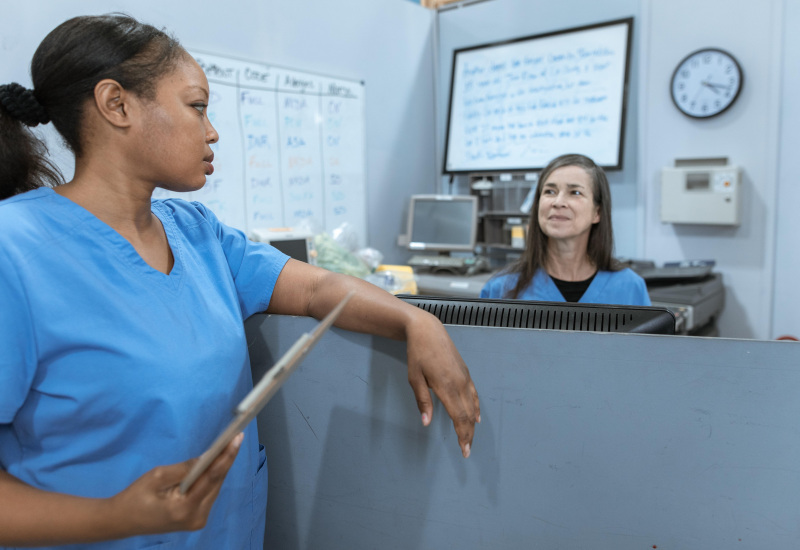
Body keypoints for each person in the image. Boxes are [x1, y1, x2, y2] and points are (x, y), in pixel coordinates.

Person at [0, 14, 479, 549]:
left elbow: (319, 290)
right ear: (118, 105)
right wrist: (116, 517)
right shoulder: (15, 249)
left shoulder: (197, 233)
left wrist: (414, 318)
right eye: (197, 106)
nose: (212, 131)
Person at [480, 153, 650, 305]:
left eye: (575, 192)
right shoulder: (501, 288)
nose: (558, 202)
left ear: (597, 212)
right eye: (550, 191)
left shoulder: (630, 288)